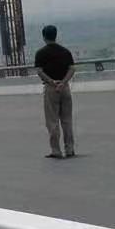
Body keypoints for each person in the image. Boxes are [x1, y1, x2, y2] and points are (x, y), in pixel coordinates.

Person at [33, 25, 76, 158]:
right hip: (65, 88)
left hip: (51, 89)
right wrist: (63, 82)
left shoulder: (41, 53)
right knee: (67, 120)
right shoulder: (65, 52)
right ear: (56, 35)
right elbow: (72, 68)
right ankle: (69, 149)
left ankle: (56, 150)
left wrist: (52, 82)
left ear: (44, 37)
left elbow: (39, 71)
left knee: (52, 121)